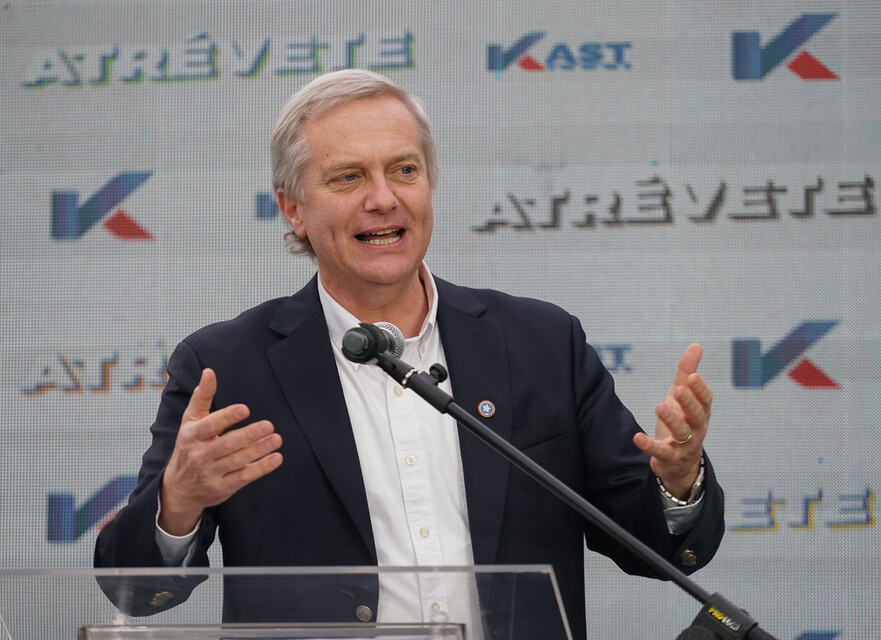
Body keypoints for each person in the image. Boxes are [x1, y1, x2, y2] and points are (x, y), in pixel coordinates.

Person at [95, 69, 724, 639]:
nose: (383, 199)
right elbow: (134, 590)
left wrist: (678, 482)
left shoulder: (541, 343)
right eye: (348, 177)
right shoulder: (228, 367)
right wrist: (178, 503)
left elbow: (652, 546)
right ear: (293, 209)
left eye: (403, 170)